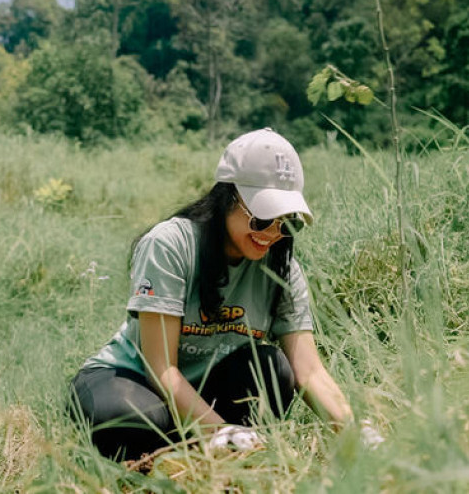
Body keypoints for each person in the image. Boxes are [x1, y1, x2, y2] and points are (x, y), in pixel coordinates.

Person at [68, 128, 354, 460]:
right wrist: (222, 429)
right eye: (263, 219)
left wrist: (354, 430)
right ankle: (200, 447)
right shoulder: (170, 244)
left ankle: (207, 451)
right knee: (131, 419)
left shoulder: (282, 270)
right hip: (136, 380)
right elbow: (161, 368)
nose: (273, 234)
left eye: (287, 223)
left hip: (207, 385)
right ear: (227, 198)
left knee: (274, 369)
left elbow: (310, 372)